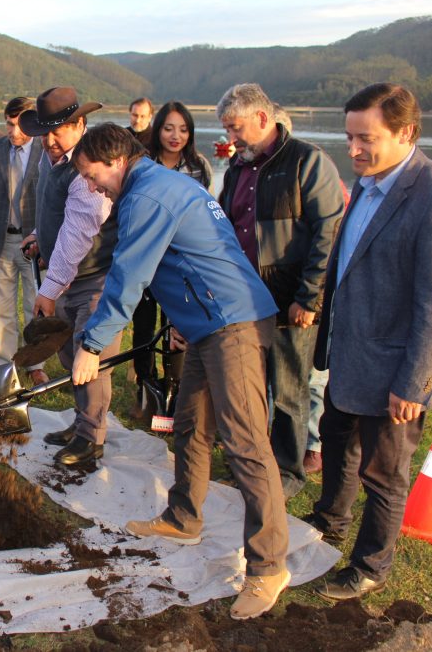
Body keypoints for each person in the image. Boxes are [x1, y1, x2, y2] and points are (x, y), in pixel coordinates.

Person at [69, 123, 287, 620]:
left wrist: (93, 345)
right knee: (189, 426)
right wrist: (182, 318)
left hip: (233, 324)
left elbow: (130, 275)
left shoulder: (149, 195)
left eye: (92, 175)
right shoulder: (157, 185)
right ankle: (184, 517)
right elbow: (192, 255)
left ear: (117, 159)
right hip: (207, 321)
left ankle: (269, 566)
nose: (90, 185)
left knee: (246, 444)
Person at [306, 83, 432, 601]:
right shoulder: (369, 185)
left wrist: (414, 384)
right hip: (350, 357)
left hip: (397, 370)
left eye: (366, 138)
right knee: (337, 444)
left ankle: (372, 563)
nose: (352, 149)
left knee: (385, 472)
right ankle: (330, 518)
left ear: (406, 133)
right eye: (349, 136)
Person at [217, 83, 343, 499]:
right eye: (226, 130)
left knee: (289, 390)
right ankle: (254, 463)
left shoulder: (308, 161)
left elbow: (328, 233)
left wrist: (309, 297)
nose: (230, 138)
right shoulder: (237, 167)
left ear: (262, 119)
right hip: (244, 301)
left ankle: (288, 472)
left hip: (289, 301)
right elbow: (225, 225)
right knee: (249, 388)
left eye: (235, 128)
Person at [18, 87, 119, 466]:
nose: (49, 140)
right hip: (63, 274)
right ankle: (81, 424)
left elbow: (78, 234)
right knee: (67, 352)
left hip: (93, 277)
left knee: (89, 356)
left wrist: (48, 289)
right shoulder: (52, 158)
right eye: (44, 132)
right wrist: (38, 236)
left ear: (79, 125)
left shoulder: (87, 170)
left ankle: (91, 439)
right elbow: (52, 210)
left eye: (57, 131)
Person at [128, 101, 212, 417]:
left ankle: (175, 390)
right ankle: (146, 388)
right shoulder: (143, 163)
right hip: (149, 257)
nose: (175, 136)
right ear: (158, 128)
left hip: (183, 259)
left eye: (183, 129)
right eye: (168, 128)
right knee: (144, 325)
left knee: (178, 324)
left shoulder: (198, 166)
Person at [0, 96, 48, 385]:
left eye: (20, 125)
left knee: (35, 307)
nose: (14, 132)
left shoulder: (46, 150)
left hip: (35, 244)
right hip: (0, 242)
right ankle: (5, 364)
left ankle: (35, 363)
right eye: (9, 124)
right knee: (3, 310)